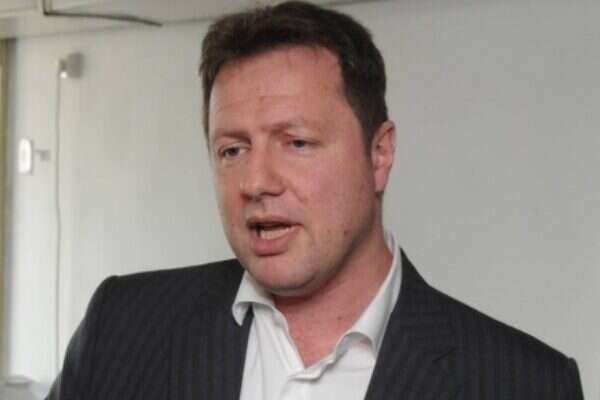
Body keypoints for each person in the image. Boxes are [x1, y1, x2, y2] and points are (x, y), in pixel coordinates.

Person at [47, 2, 584, 399]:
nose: (256, 181)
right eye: (232, 150)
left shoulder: (522, 384)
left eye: (297, 143)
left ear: (379, 154)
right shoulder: (122, 329)